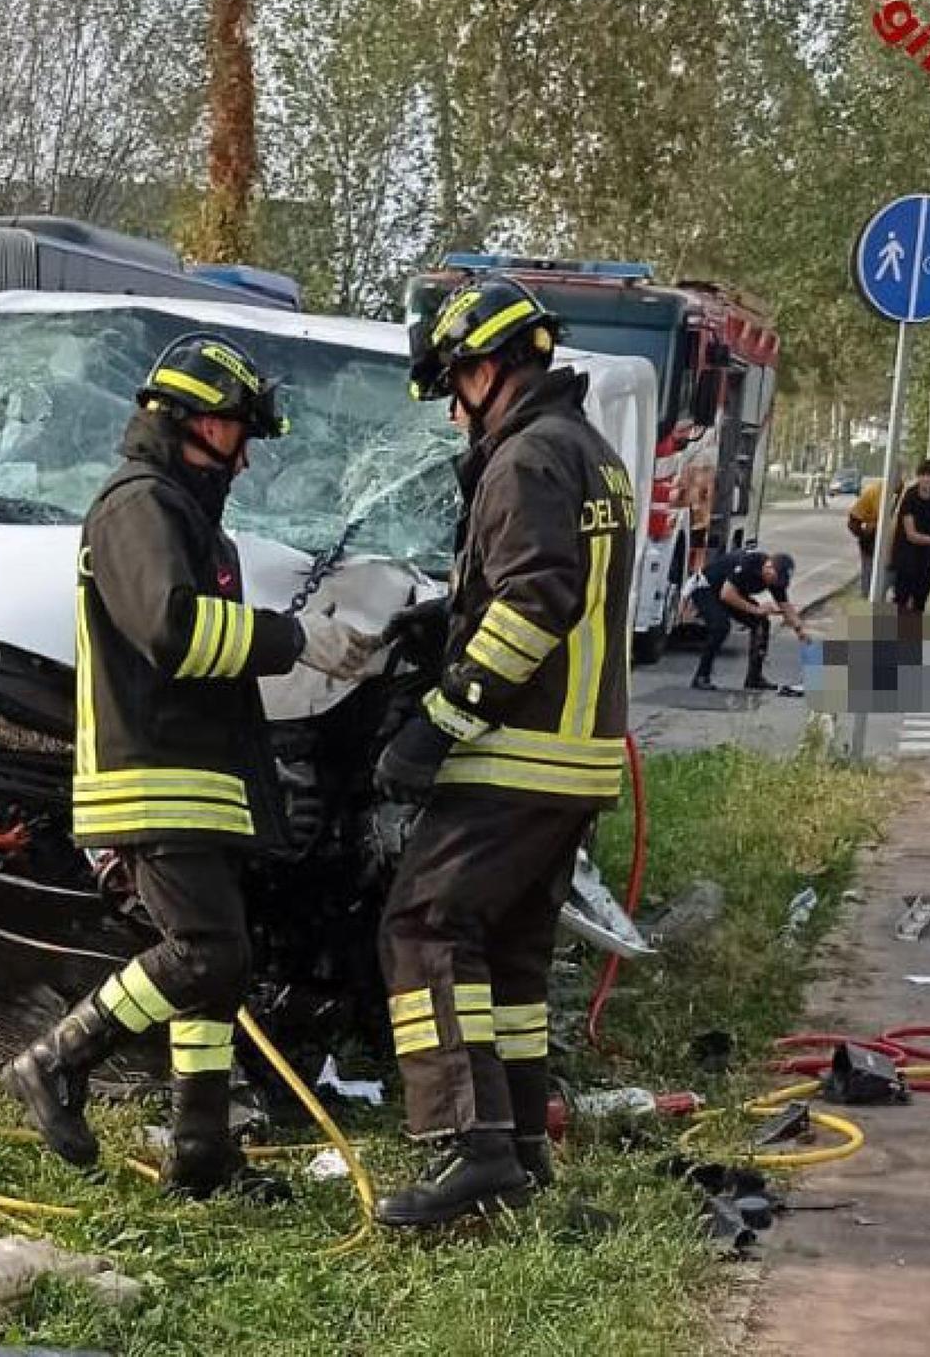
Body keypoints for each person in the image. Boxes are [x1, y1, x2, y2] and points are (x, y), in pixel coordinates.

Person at [4, 333, 369, 1199]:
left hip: (199, 779)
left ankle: (202, 1155)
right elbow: (171, 631)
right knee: (203, 950)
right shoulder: (139, 506)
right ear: (198, 421)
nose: (245, 456)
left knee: (224, 963)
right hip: (150, 774)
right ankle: (56, 1060)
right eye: (241, 432)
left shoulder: (192, 518)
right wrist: (296, 640)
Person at [367, 274, 635, 1228]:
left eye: (455, 381)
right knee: (512, 957)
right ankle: (521, 1147)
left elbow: (534, 604)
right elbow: (550, 587)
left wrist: (436, 722)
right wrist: (444, 615)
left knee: (425, 928)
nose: (452, 405)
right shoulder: (589, 452)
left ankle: (467, 1144)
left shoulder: (524, 460)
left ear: (489, 368)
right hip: (574, 759)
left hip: (515, 753)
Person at [687, 548, 807, 695]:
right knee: (720, 626)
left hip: (731, 593)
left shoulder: (775, 580)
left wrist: (800, 630)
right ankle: (701, 676)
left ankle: (754, 678)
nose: (775, 583)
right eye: (775, 579)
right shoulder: (748, 563)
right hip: (706, 588)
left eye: (779, 581)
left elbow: (785, 606)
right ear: (768, 566)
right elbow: (727, 594)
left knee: (762, 623)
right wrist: (756, 610)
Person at [889, 460, 930, 614]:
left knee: (920, 602)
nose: (927, 479)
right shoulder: (909, 498)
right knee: (901, 599)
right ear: (918, 476)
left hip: (927, 560)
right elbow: (911, 535)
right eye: (924, 475)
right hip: (906, 557)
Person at [846, 475, 887, 598]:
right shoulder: (874, 492)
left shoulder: (906, 494)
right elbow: (853, 520)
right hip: (872, 544)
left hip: (897, 548)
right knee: (869, 584)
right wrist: (865, 534)